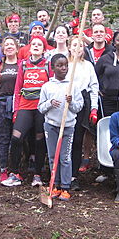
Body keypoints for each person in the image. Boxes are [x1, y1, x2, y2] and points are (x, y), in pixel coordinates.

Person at [1, 35, 52, 187]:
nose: (36, 46)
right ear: (29, 47)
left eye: (39, 45)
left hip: (41, 109)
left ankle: (37, 175)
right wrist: (15, 110)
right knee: (16, 138)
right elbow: (17, 89)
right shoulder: (23, 64)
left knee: (39, 140)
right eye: (33, 44)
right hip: (24, 106)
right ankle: (15, 173)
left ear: (43, 49)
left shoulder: (48, 65)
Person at [38, 54, 84, 201]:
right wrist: (50, 103)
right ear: (53, 68)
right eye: (59, 65)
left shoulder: (73, 86)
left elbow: (78, 107)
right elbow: (41, 108)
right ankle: (55, 185)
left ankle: (65, 187)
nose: (63, 68)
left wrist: (71, 102)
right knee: (53, 157)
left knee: (65, 157)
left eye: (65, 65)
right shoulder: (47, 86)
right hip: (51, 126)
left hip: (68, 126)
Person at [66, 36, 99, 190]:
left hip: (82, 104)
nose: (77, 48)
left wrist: (94, 108)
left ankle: (73, 176)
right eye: (74, 45)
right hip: (65, 105)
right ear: (69, 47)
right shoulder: (64, 64)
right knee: (66, 139)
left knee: (77, 139)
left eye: (80, 45)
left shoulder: (88, 66)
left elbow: (94, 87)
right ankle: (62, 173)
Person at [0, 36, 19, 182]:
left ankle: (16, 168)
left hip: (17, 103)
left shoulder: (22, 64)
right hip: (2, 102)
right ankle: (3, 168)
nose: (9, 46)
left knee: (17, 137)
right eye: (6, 44)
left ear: (16, 48)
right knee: (3, 137)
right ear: (3, 49)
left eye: (12, 44)